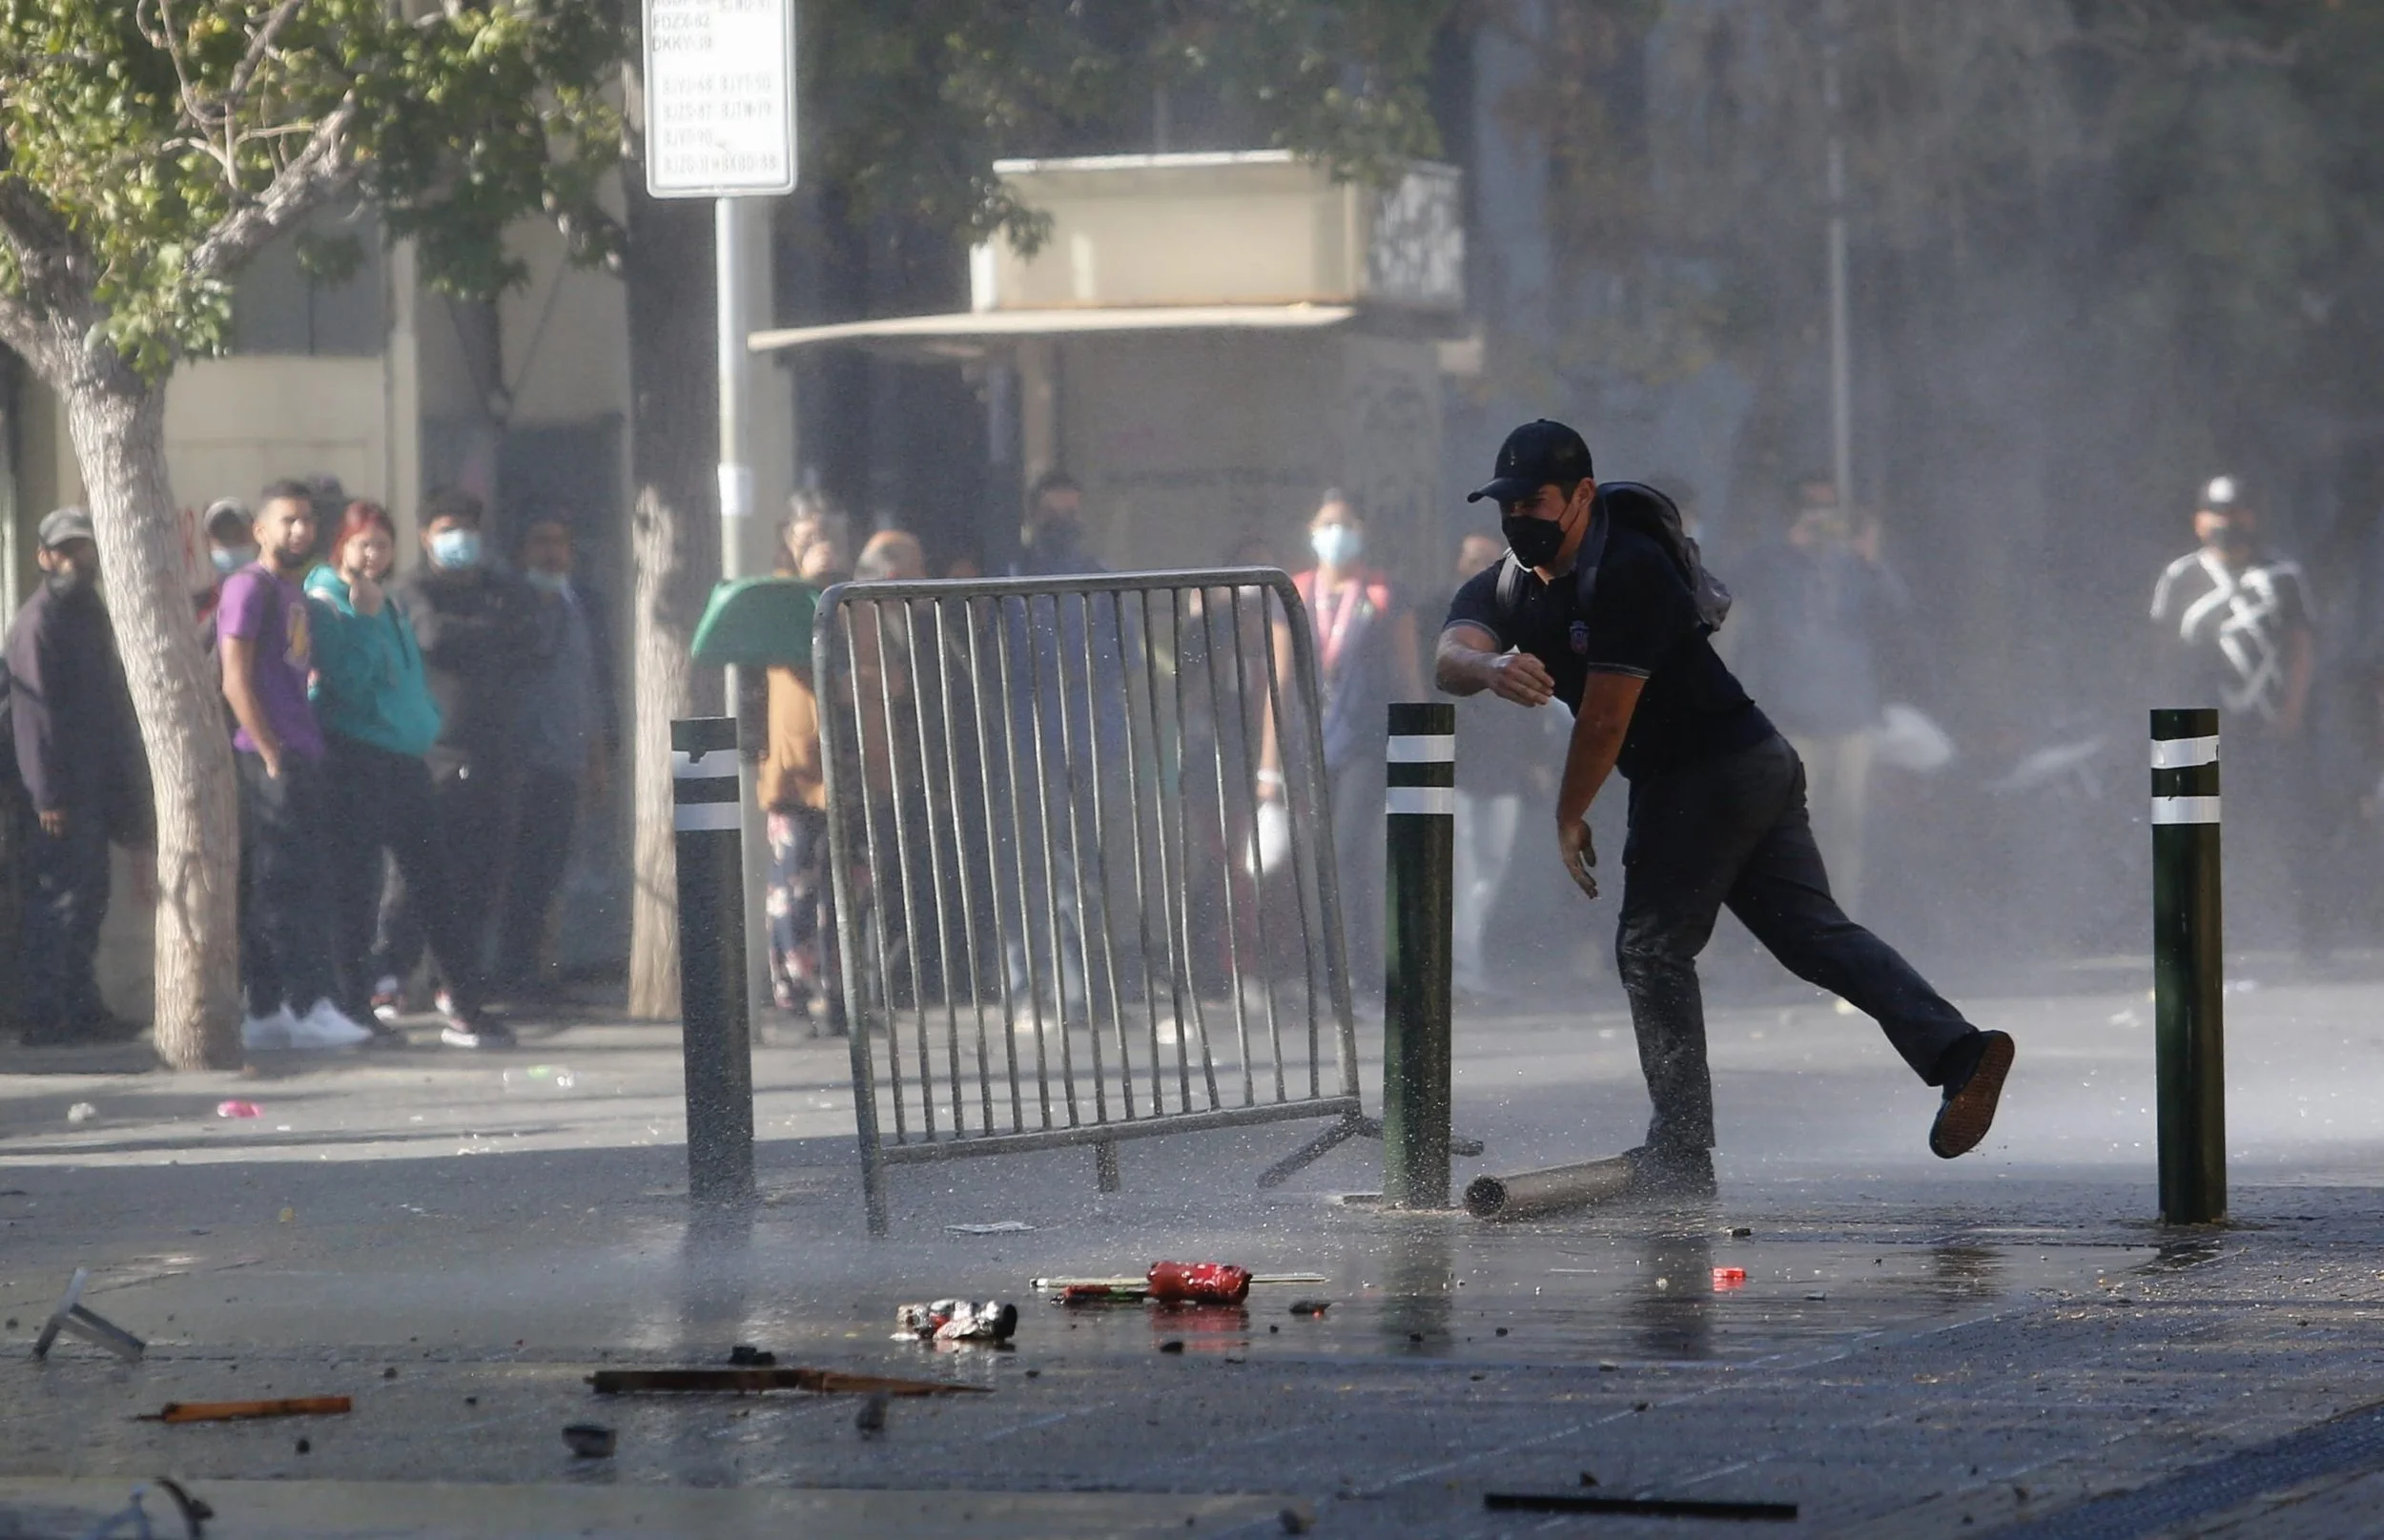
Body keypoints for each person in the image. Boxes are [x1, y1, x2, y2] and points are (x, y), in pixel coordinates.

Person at [1436, 421, 2013, 1194]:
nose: (1518, 521)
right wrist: (1491, 663)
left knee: (1651, 949)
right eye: (1505, 506)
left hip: (1707, 772)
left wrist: (1568, 813)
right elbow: (1449, 657)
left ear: (1580, 495)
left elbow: (1607, 717)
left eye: (1533, 502)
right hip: (1746, 763)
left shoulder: (1630, 568)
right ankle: (1959, 1052)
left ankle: (1679, 1147)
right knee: (1813, 935)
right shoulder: (1509, 581)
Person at [306, 503, 509, 1049]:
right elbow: (344, 680)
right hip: (357, 756)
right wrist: (366, 617)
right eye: (363, 544)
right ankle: (355, 1004)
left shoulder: (385, 598)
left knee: (434, 881)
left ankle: (466, 1004)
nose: (373, 554)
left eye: (381, 544)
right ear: (341, 547)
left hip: (404, 756)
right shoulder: (327, 600)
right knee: (359, 888)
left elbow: (407, 675)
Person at [372, 488, 544, 1016]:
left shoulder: (503, 590)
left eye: (467, 528)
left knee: (482, 874)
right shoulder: (411, 589)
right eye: (447, 529)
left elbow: (528, 635)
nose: (458, 539)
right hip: (433, 756)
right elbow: (432, 637)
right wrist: (491, 636)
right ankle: (388, 976)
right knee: (414, 876)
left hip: (496, 755)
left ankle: (458, 982)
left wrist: (486, 635)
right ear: (426, 536)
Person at [218, 482, 373, 1050]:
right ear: (261, 530)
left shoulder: (294, 592)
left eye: (307, 521)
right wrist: (269, 750)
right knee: (286, 886)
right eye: (287, 521)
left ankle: (269, 1008)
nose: (300, 531)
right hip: (268, 759)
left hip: (304, 751)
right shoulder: (248, 587)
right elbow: (234, 676)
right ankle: (305, 1004)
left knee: (294, 883)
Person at [2149, 475, 2324, 953]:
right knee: (2203, 837)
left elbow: (2301, 647)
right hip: (2198, 730)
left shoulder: (2282, 575)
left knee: (2288, 832)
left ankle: (2304, 939)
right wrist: (2169, 722)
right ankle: (2208, 939)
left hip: (2268, 727)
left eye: (2238, 512)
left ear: (2254, 516)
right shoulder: (2181, 577)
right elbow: (2162, 650)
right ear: (2199, 520)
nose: (2228, 523)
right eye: (2218, 513)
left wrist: (2290, 713)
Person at [3, 507, 152, 1046]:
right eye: (65, 550)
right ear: (44, 557)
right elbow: (34, 719)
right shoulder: (38, 622)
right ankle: (47, 1016)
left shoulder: (89, 613)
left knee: (89, 898)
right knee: (59, 901)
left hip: (93, 785)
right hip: (57, 794)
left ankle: (82, 1008)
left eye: (84, 548)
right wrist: (47, 795)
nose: (76, 560)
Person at [1268, 491, 1424, 992]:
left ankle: (1362, 966)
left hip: (1364, 742)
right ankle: (1326, 969)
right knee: (1318, 856)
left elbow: (1409, 676)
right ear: (1311, 532)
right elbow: (1279, 683)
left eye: (1346, 523)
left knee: (1349, 848)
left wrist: (1422, 750)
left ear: (1361, 531)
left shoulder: (1383, 593)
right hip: (1310, 746)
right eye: (1327, 523)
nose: (1336, 533)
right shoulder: (1292, 593)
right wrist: (1267, 768)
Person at [1731, 478, 1908, 914]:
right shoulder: (1774, 562)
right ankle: (1794, 915)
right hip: (1792, 714)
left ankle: (1840, 914)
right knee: (1792, 823)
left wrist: (1872, 561)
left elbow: (1899, 614)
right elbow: (1729, 587)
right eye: (1812, 509)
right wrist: (1783, 548)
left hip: (1851, 713)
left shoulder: (1855, 566)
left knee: (1849, 822)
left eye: (1830, 511)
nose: (1822, 521)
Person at [493, 517, 617, 998]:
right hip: (520, 759)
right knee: (516, 873)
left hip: (567, 757)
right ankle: (510, 973)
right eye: (540, 542)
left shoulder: (582, 604)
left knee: (549, 870)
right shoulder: (509, 602)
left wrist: (598, 756)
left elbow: (589, 685)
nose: (551, 553)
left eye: (559, 543)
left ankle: (538, 970)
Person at [1446, 529, 1551, 998]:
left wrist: (1536, 758)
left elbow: (1538, 695)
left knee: (1492, 864)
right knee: (1463, 866)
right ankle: (1464, 969)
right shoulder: (1446, 620)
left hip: (1505, 766)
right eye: (1473, 560)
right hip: (1459, 762)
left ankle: (1467, 957)